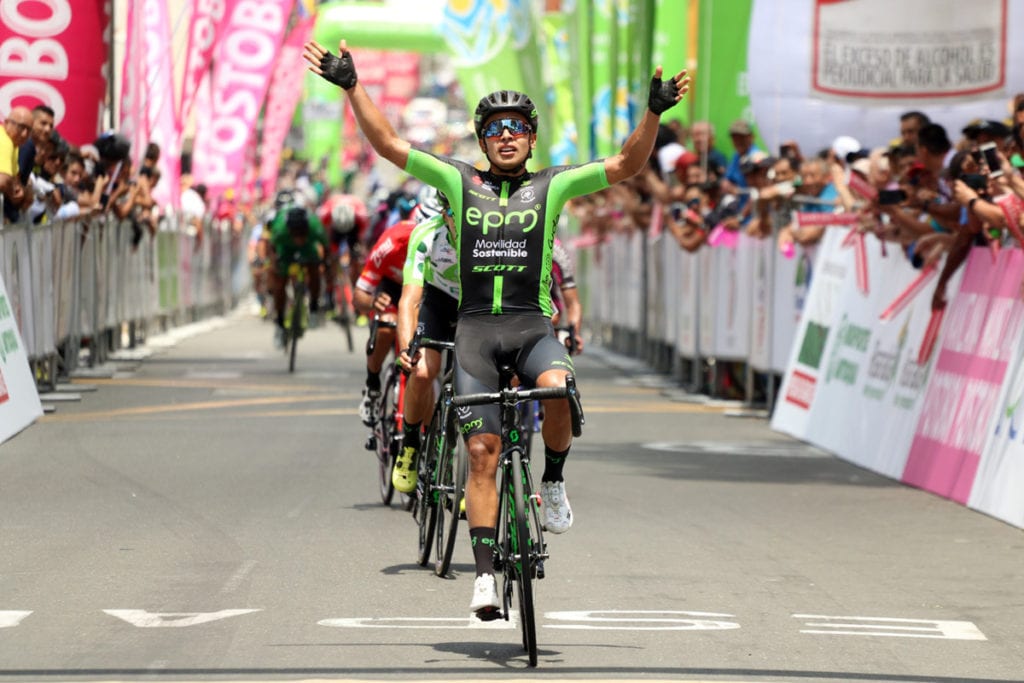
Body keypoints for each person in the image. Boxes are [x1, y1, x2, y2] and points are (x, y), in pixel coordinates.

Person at [304, 38, 688, 618]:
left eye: (517, 127)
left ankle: (552, 483)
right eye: (495, 128)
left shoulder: (554, 184)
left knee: (559, 386)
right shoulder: (458, 182)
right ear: (482, 140)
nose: (506, 135)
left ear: (532, 139)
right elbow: (387, 143)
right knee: (482, 453)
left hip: (532, 327)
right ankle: (483, 576)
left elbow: (627, 165)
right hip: (475, 333)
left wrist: (654, 113)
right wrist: (353, 85)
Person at [393, 189, 460, 493]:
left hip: (474, 309)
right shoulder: (427, 234)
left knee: (475, 384)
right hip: (437, 301)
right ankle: (409, 444)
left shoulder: (490, 236)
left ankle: (460, 465)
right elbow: (409, 300)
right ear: (444, 212)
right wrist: (408, 348)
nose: (461, 222)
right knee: (421, 371)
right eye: (453, 213)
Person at [353, 210, 417, 426]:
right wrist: (372, 303)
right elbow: (359, 294)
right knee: (387, 327)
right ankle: (372, 387)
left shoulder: (445, 245)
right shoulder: (391, 243)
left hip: (423, 292)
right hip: (391, 287)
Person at [266, 201, 331, 348]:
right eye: (296, 234)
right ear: (289, 231)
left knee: (314, 269)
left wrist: (325, 264)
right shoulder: (279, 230)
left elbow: (326, 247)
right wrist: (275, 265)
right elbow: (272, 249)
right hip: (285, 249)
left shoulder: (315, 226)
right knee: (280, 282)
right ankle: (280, 322)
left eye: (302, 233)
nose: (299, 238)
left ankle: (314, 307)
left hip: (308, 248)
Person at [0, 106, 34, 223]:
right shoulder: (5, 141)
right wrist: (11, 189)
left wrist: (24, 189)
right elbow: (3, 182)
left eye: (29, 130)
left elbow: (14, 181)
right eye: (20, 127)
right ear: (7, 123)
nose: (24, 134)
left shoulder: (14, 144)